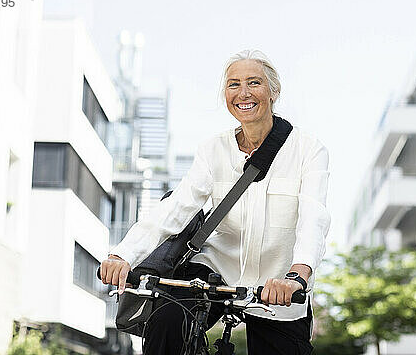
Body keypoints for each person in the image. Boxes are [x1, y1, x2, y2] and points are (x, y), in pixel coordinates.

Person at [100, 49, 330, 354]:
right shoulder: (213, 149)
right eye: (234, 84)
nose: (243, 93)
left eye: (254, 83)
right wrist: (122, 255)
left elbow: (313, 220)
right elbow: (177, 207)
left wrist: (295, 277)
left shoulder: (308, 150)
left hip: (278, 288)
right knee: (167, 321)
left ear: (274, 92)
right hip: (214, 271)